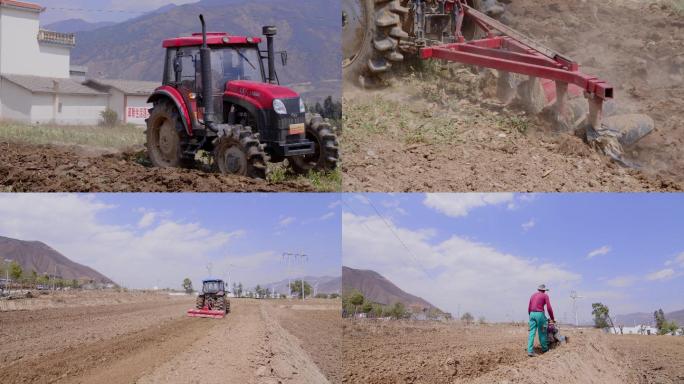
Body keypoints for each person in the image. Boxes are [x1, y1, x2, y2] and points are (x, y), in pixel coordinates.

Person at [527, 284, 554, 357]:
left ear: (538, 289)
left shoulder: (532, 295)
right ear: (544, 290)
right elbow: (549, 308)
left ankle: (530, 351)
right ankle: (545, 349)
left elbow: (529, 308)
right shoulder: (545, 296)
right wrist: (552, 318)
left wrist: (530, 318)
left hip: (531, 314)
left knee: (531, 333)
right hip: (540, 314)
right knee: (542, 332)